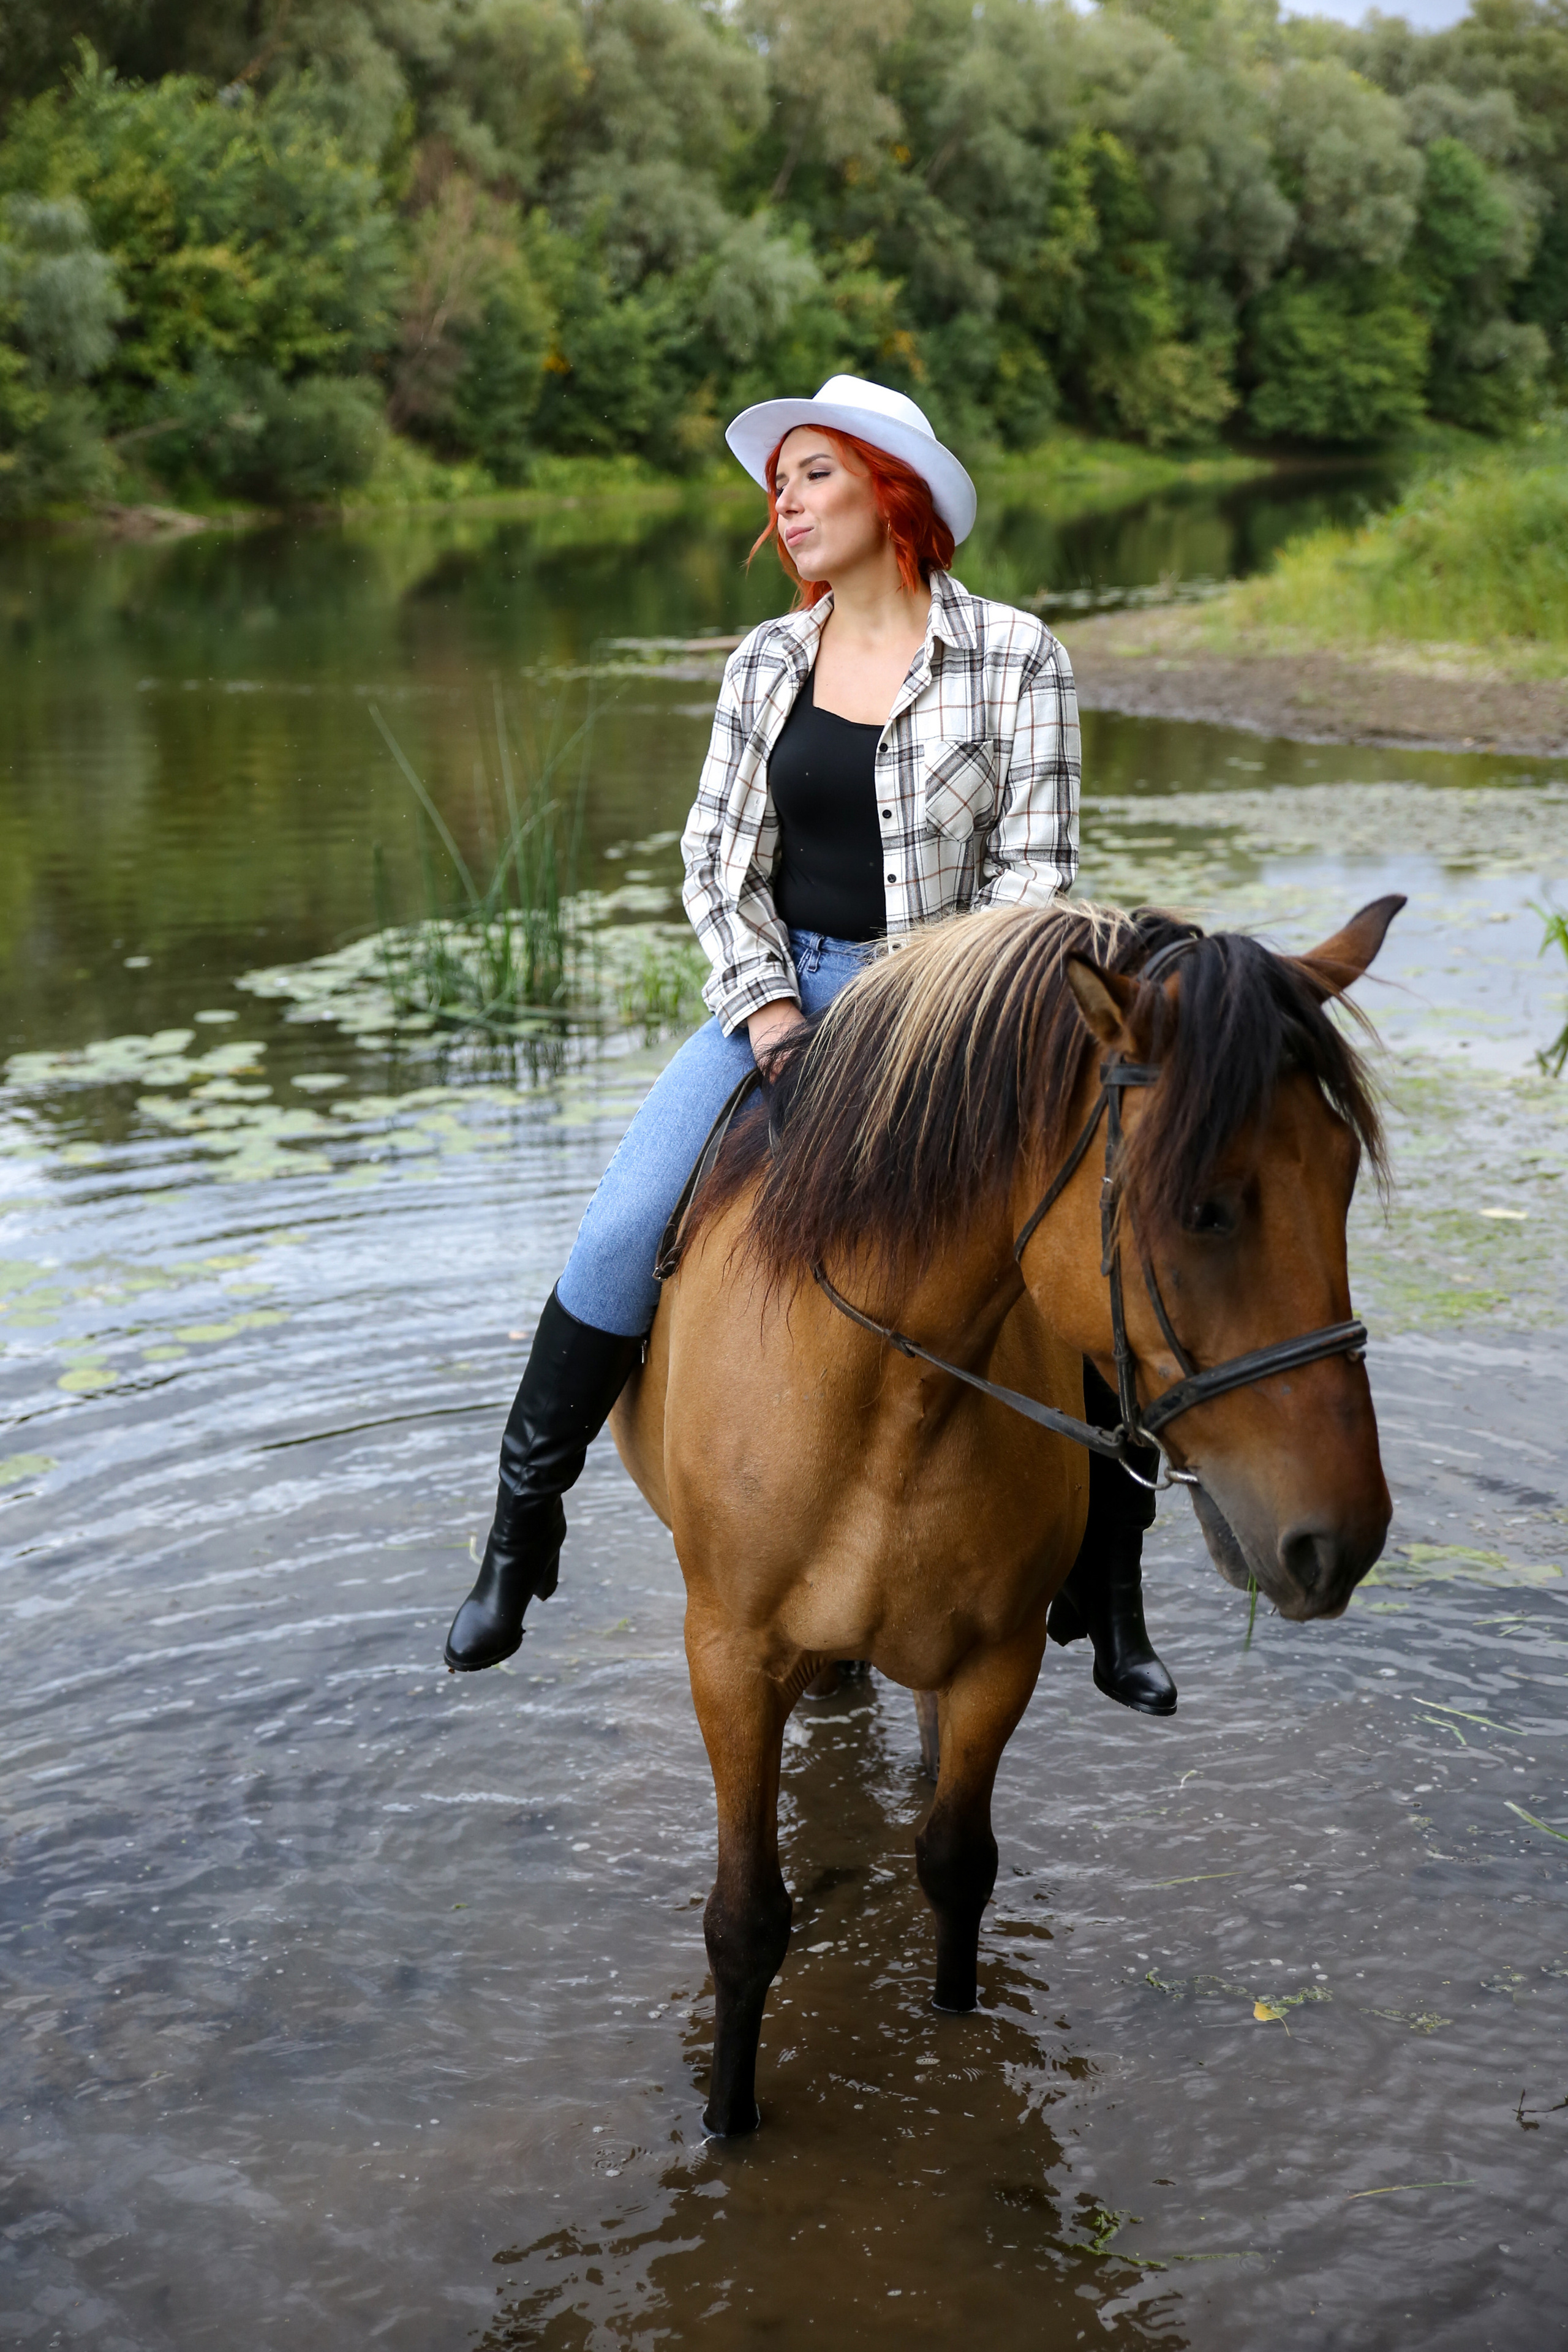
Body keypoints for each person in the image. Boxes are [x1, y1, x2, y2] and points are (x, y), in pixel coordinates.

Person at [443, 374, 1176, 1718]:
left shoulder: (1016, 657)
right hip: (780, 1001)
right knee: (616, 1234)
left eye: (813, 474)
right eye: (775, 484)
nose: (782, 501)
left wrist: (927, 1025)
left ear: (891, 495)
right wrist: (772, 1012)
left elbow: (1037, 878)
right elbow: (714, 867)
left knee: (1084, 1253)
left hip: (956, 1018)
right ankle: (518, 1533)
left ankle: (1110, 1588)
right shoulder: (763, 664)